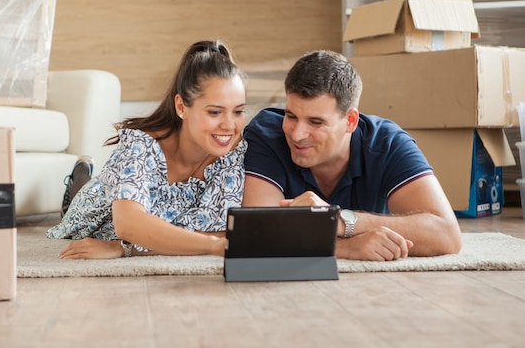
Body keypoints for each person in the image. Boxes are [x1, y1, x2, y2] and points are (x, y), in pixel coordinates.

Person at [242, 50, 462, 261]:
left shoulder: (387, 142)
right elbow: (257, 230)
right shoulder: (267, 135)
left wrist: (340, 221)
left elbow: (447, 235)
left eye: (316, 122)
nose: (297, 134)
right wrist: (345, 248)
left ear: (350, 121)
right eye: (291, 116)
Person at [47, 40, 247, 259]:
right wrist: (211, 246)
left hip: (141, 228)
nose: (229, 125)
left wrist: (126, 249)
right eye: (215, 112)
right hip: (100, 211)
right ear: (181, 107)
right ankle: (79, 179)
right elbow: (129, 224)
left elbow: (220, 231)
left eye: (238, 112)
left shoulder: (234, 154)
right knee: (77, 204)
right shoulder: (141, 144)